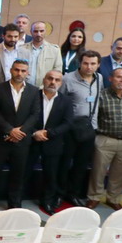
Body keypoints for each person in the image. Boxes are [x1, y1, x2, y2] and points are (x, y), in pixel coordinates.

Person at [0, 59, 41, 214]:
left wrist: (20, 132)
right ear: (11, 70)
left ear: (27, 73)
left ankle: (14, 203)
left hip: (21, 140)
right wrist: (9, 130)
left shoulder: (34, 91)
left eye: (23, 71)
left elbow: (35, 114)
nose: (19, 73)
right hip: (0, 139)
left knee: (18, 174)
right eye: (16, 70)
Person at [86, 68, 122, 210]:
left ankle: (113, 198)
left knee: (121, 173)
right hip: (105, 139)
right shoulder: (100, 96)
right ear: (111, 78)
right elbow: (93, 118)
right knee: (98, 171)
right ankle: (94, 197)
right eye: (119, 77)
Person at [58, 50, 102, 207]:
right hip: (70, 129)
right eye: (86, 63)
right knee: (64, 164)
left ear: (98, 65)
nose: (89, 67)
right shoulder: (67, 79)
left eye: (93, 64)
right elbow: (59, 103)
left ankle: (74, 193)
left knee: (81, 164)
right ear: (80, 63)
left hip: (89, 128)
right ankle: (59, 193)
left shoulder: (99, 78)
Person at [28, 70, 73, 214]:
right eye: (50, 78)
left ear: (61, 83)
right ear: (44, 79)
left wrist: (48, 133)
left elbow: (68, 123)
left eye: (57, 80)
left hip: (53, 142)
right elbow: (23, 117)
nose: (53, 82)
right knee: (23, 172)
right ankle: (16, 200)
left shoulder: (66, 101)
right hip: (31, 140)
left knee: (51, 175)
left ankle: (47, 201)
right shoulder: (31, 96)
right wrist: (34, 132)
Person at [17, 22, 59, 87]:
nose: (39, 34)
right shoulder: (21, 49)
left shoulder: (54, 50)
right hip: (24, 87)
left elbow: (57, 71)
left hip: (45, 88)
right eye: (35, 31)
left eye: (41, 31)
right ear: (31, 32)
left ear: (45, 31)